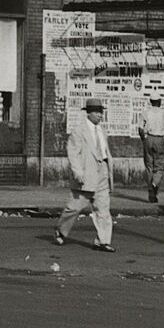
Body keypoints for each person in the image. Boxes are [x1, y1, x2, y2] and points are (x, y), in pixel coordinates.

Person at [56, 98, 115, 251]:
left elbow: (105, 151)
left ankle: (103, 241)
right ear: (88, 113)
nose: (99, 115)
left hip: (102, 171)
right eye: (96, 112)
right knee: (75, 207)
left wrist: (108, 170)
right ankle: (61, 230)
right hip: (86, 173)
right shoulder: (79, 130)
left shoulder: (102, 131)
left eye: (101, 112)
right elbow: (73, 152)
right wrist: (77, 171)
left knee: (103, 208)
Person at [134, 99, 164, 204]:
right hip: (160, 139)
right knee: (159, 167)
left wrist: (144, 140)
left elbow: (140, 130)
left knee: (149, 167)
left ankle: (152, 192)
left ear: (151, 102)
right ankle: (154, 184)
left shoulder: (145, 113)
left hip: (149, 139)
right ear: (159, 102)